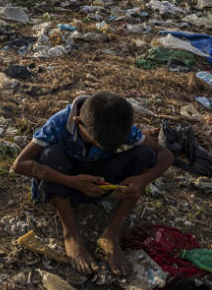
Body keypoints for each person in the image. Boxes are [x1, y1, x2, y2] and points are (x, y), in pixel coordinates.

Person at [11, 92, 173, 276]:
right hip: (67, 182)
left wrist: (142, 180)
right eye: (98, 143)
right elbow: (20, 164)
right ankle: (71, 234)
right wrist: (74, 182)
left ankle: (111, 234)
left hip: (100, 181)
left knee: (146, 155)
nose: (103, 147)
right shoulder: (59, 124)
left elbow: (165, 154)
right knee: (50, 155)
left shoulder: (119, 127)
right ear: (79, 122)